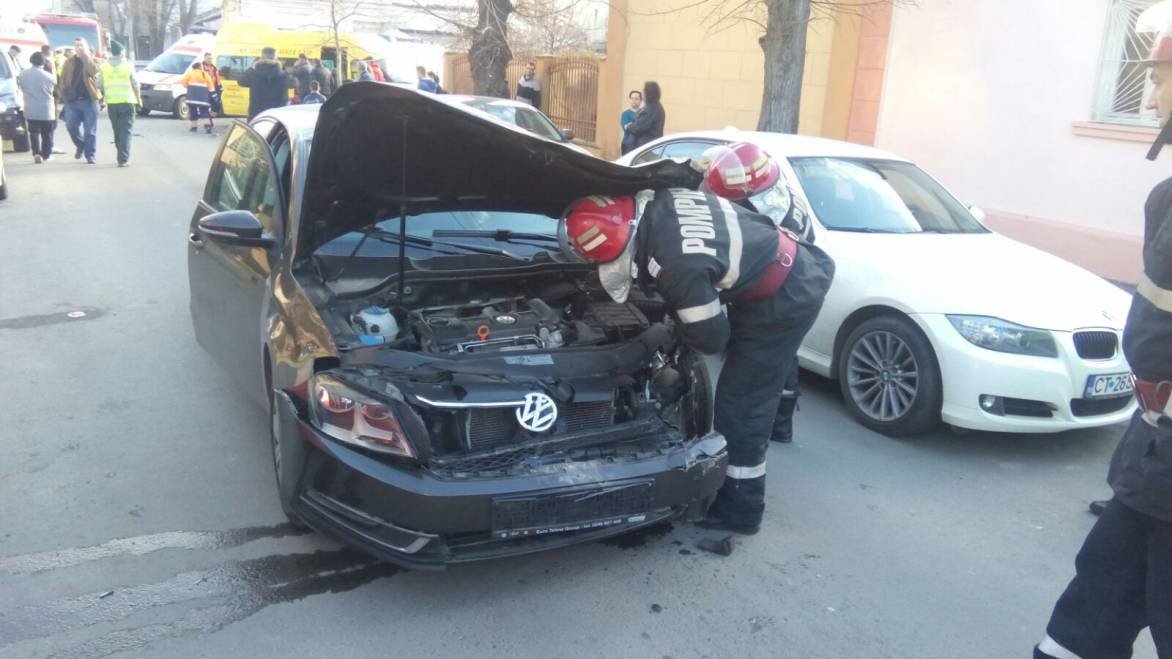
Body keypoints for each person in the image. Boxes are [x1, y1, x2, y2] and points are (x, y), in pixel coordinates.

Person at [559, 143, 835, 536]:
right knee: (767, 370)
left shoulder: (680, 269)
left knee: (742, 402)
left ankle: (739, 511)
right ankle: (782, 422)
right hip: (784, 267)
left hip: (785, 294)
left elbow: (710, 340)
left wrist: (676, 325)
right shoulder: (664, 201)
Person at [1034, 7, 1172, 658]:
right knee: (1088, 615)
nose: (1149, 93)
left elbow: (1152, 339)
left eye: (1160, 75)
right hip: (1153, 457)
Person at [57, 38, 101, 164]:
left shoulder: (93, 60)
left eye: (81, 45)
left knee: (90, 131)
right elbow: (62, 79)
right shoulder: (68, 62)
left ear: (86, 47)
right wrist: (63, 93)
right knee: (71, 127)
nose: (79, 47)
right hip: (72, 101)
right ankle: (81, 145)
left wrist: (86, 57)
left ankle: (90, 154)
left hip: (89, 100)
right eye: (77, 45)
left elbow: (94, 71)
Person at [98, 41, 141, 166]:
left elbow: (99, 84)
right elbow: (135, 84)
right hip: (127, 102)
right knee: (126, 131)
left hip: (112, 103)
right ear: (122, 52)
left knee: (117, 130)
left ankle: (121, 153)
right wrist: (139, 100)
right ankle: (123, 159)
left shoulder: (104, 67)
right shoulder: (128, 66)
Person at [17, 51, 57, 164]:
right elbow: (52, 90)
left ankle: (36, 153)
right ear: (43, 63)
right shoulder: (49, 76)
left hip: (30, 107)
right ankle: (46, 154)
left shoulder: (23, 74)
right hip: (46, 109)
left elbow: (22, 87)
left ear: (31, 61)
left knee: (33, 132)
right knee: (47, 134)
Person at [238, 47, 291, 119]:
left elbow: (241, 82)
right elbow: (294, 84)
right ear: (275, 58)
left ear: (261, 57)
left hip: (256, 113)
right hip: (276, 114)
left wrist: (251, 68)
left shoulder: (253, 73)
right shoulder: (283, 74)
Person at [626, 80, 665, 149]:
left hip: (645, 148)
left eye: (643, 92)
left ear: (648, 93)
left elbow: (638, 127)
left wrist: (629, 126)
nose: (642, 95)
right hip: (651, 147)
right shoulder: (656, 106)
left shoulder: (651, 109)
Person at [180, 61, 214, 134]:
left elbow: (184, 84)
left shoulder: (190, 74)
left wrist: (189, 86)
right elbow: (211, 87)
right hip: (203, 98)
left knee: (193, 112)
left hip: (192, 97)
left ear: (193, 68)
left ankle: (194, 127)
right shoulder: (205, 74)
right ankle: (207, 126)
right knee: (204, 112)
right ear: (200, 67)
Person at [620, 89, 642, 155]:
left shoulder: (643, 113)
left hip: (640, 146)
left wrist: (633, 124)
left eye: (636, 99)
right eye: (632, 98)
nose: (634, 100)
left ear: (641, 100)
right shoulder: (625, 114)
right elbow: (626, 128)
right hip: (627, 144)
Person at [202, 52, 223, 117]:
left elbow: (218, 78)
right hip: (205, 90)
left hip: (214, 90)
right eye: (208, 58)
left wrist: (220, 88)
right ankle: (208, 121)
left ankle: (210, 118)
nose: (210, 60)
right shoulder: (202, 68)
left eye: (211, 58)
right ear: (204, 59)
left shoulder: (214, 68)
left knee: (217, 105)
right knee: (206, 106)